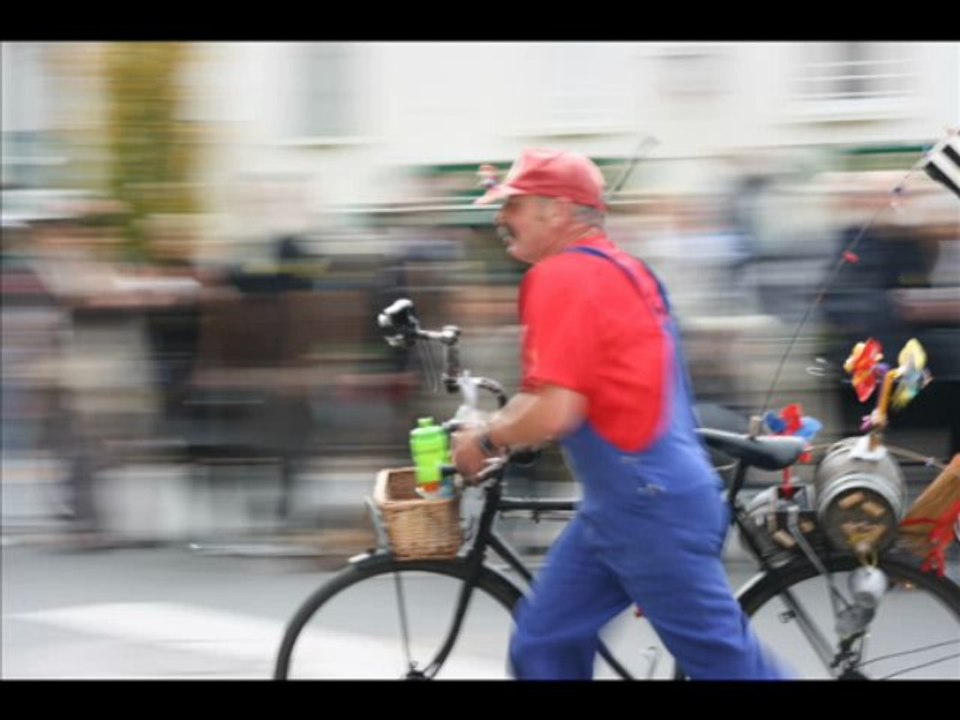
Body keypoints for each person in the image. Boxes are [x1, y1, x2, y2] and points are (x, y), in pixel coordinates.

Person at [451, 148, 787, 680]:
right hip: (633, 501)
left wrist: (489, 439)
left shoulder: (561, 277)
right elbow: (567, 394)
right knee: (545, 644)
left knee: (729, 667)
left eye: (513, 204)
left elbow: (557, 409)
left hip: (646, 507)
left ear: (555, 211)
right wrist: (508, 430)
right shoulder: (626, 270)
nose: (501, 217)